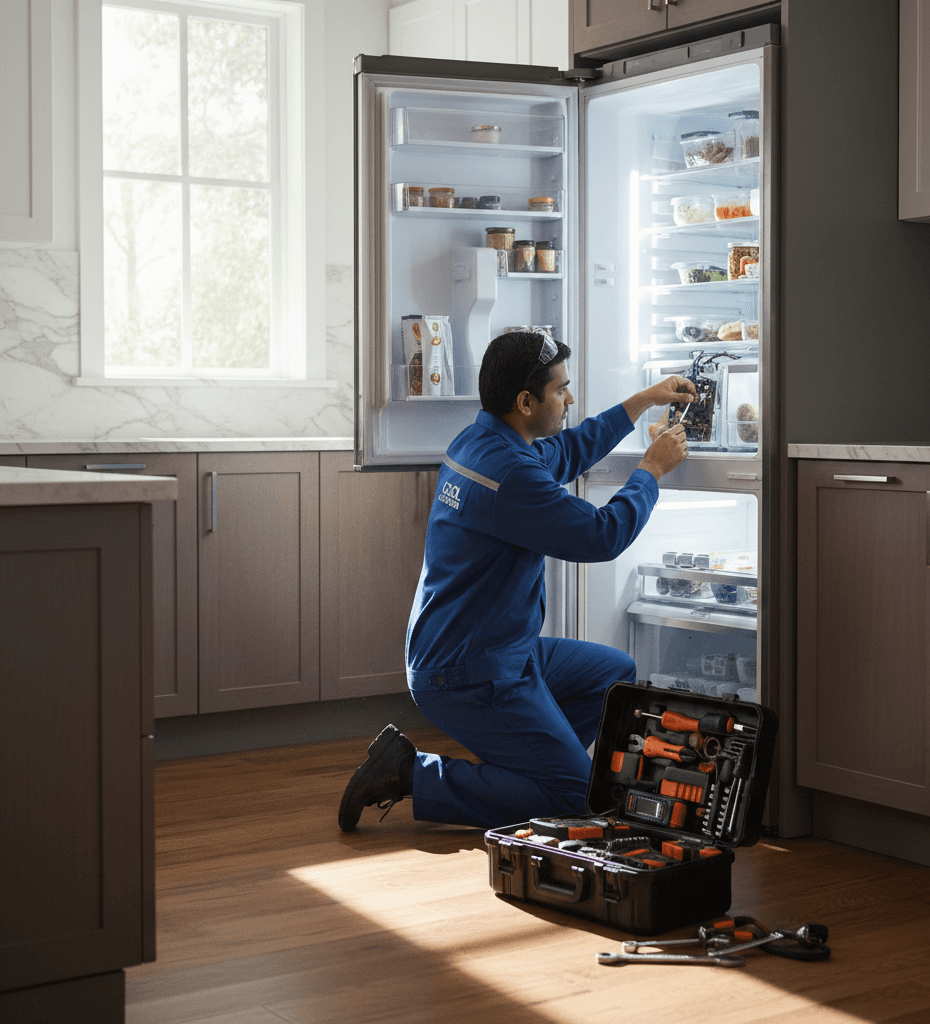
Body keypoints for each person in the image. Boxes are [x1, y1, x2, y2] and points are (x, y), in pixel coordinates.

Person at [338, 329, 695, 832]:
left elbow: (567, 451)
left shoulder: (485, 441)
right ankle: (411, 773)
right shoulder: (510, 477)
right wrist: (649, 472)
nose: (570, 398)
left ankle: (530, 770)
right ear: (526, 401)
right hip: (468, 671)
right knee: (576, 796)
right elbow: (600, 535)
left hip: (495, 650)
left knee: (612, 675)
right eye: (560, 390)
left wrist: (641, 402)